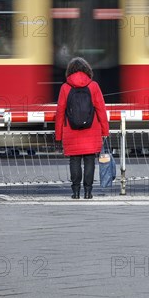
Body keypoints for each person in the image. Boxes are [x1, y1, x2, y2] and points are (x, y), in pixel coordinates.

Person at [55, 57, 109, 199]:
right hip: (91, 131)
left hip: (71, 132)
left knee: (74, 161)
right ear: (87, 70)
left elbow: (60, 112)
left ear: (69, 71)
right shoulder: (93, 86)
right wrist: (105, 131)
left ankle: (76, 192)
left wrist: (58, 135)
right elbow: (101, 110)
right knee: (90, 160)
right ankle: (88, 192)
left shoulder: (65, 88)